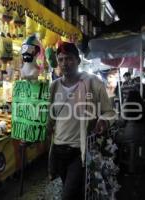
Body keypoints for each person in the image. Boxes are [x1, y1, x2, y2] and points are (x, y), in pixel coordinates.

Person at [46, 42, 115, 200]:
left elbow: (110, 112)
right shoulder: (53, 87)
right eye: (61, 59)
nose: (64, 63)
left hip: (79, 152)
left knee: (68, 195)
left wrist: (104, 120)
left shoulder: (93, 83)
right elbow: (50, 120)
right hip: (58, 150)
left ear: (78, 60)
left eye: (69, 59)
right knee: (73, 191)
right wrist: (34, 138)